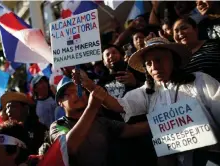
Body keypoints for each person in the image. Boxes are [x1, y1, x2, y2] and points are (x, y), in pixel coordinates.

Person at [74, 37, 220, 166]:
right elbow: (117, 105)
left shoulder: (200, 80)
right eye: (149, 63)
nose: (154, 67)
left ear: (173, 60)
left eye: (159, 60)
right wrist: (88, 84)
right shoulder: (148, 92)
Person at [50, 76, 150, 166]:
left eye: (79, 90)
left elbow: (132, 129)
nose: (77, 95)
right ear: (60, 103)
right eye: (69, 94)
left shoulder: (101, 122)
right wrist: (92, 108)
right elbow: (68, 147)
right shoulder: (58, 125)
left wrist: (160, 120)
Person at [172, 17, 220, 82]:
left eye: (184, 28)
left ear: (196, 29)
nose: (180, 33)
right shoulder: (175, 60)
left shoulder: (215, 44)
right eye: (176, 31)